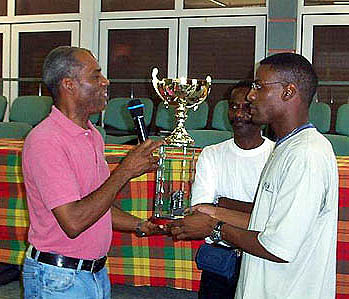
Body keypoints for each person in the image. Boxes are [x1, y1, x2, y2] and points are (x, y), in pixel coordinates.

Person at [170, 53, 338, 299]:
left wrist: (216, 227)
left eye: (259, 86)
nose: (250, 95)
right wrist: (216, 213)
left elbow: (278, 247)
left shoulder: (306, 154)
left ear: (288, 92)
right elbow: (266, 223)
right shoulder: (286, 148)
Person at [21, 46, 164, 299]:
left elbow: (97, 205)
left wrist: (141, 225)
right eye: (95, 75)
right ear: (69, 85)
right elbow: (74, 221)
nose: (105, 81)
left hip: (94, 273)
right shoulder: (46, 140)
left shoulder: (93, 135)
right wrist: (125, 171)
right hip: (59, 278)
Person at [190, 80, 274, 299]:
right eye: (234, 107)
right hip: (219, 260)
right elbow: (199, 210)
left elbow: (275, 217)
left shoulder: (277, 154)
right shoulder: (212, 154)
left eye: (246, 107)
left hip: (260, 258)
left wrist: (221, 204)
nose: (239, 114)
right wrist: (254, 210)